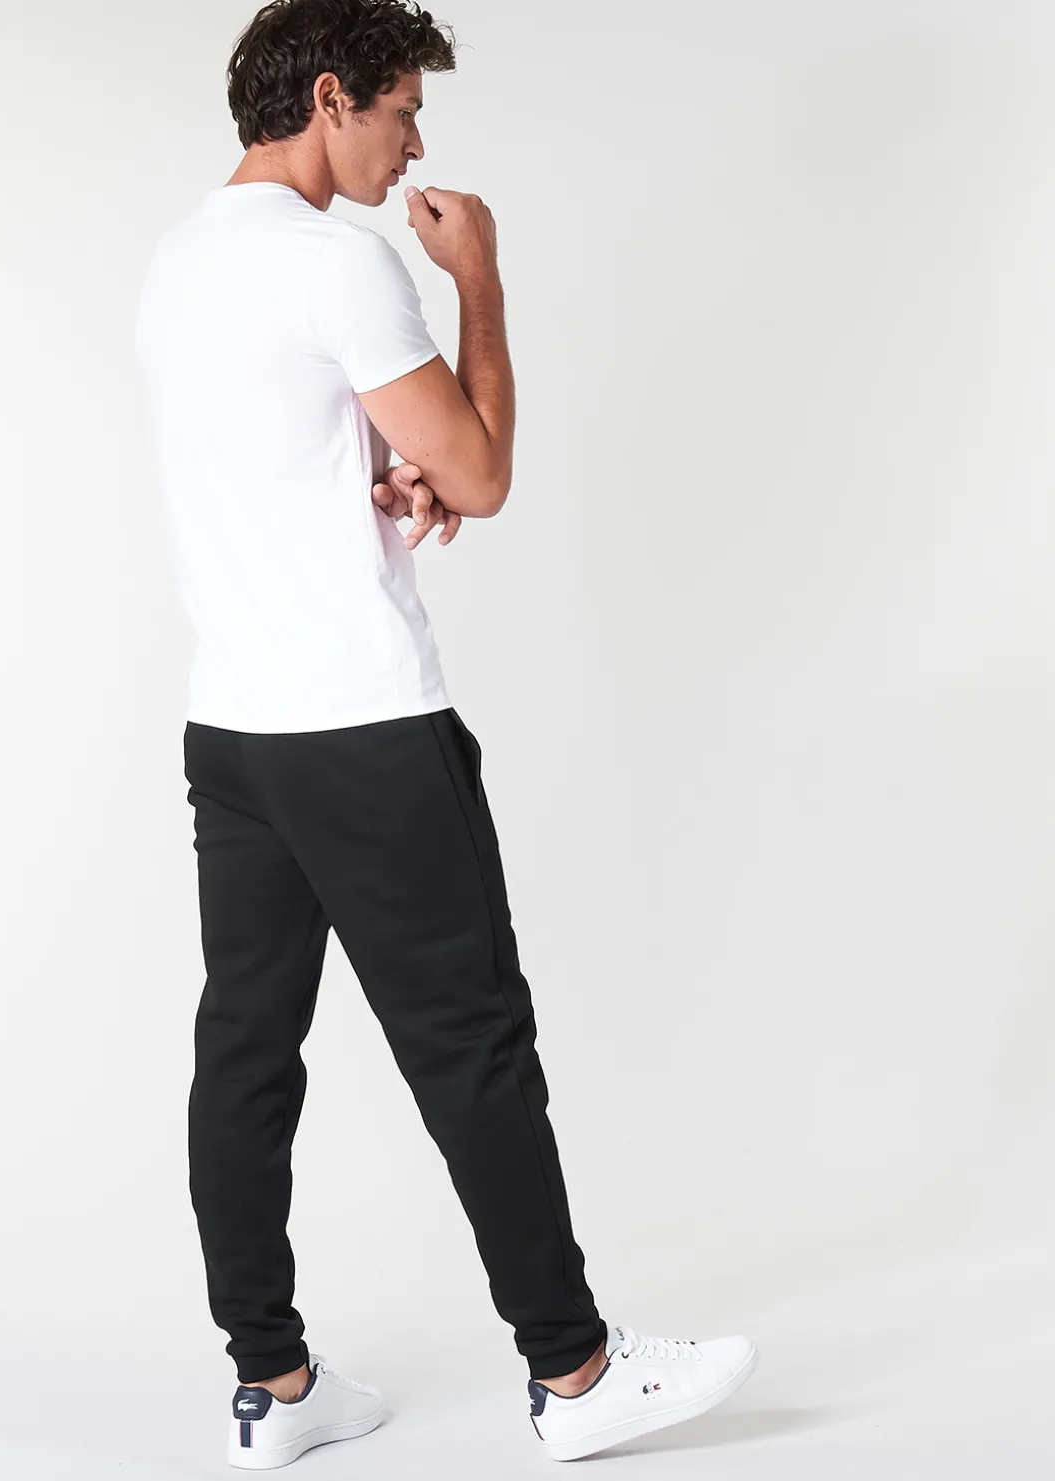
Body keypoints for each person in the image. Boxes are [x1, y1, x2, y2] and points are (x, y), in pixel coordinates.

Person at [134, 0, 758, 1468]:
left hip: (236, 729)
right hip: (362, 728)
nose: (416, 145)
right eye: (405, 111)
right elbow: (480, 475)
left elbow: (284, 455)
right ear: (331, 96)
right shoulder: (335, 259)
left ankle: (274, 1386)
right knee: (475, 1046)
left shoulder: (180, 260)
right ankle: (577, 1373)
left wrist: (384, 473)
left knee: (245, 1056)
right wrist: (478, 280)